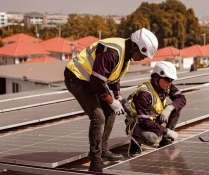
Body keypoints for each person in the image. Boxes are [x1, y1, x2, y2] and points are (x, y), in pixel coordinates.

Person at [64, 28, 159, 172]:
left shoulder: (125, 55)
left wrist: (117, 96)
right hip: (77, 78)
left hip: (90, 80)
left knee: (110, 112)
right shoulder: (112, 53)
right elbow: (97, 84)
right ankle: (95, 160)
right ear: (135, 46)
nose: (143, 58)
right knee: (98, 116)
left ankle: (103, 150)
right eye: (143, 54)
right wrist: (112, 101)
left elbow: (113, 77)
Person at [125, 61, 187, 156]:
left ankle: (165, 140)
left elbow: (181, 99)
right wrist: (166, 130)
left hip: (153, 120)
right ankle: (135, 142)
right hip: (138, 124)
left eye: (171, 80)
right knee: (151, 138)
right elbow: (144, 121)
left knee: (176, 108)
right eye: (167, 80)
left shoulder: (166, 86)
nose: (169, 83)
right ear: (156, 77)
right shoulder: (144, 94)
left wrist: (169, 108)